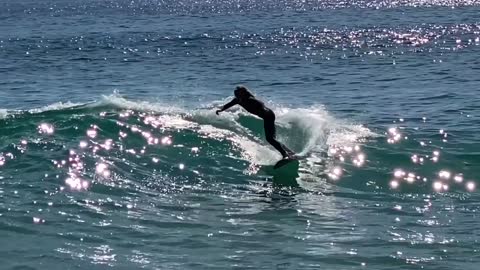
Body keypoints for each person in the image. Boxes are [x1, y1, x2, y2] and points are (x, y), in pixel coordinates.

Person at [216, 86, 293, 159]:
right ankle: (289, 152)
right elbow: (228, 105)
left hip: (268, 115)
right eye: (235, 94)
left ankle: (285, 154)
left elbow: (261, 104)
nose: (236, 96)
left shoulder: (250, 99)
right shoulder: (237, 100)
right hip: (266, 117)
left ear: (243, 94)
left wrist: (261, 109)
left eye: (238, 94)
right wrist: (221, 110)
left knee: (270, 139)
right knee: (271, 139)